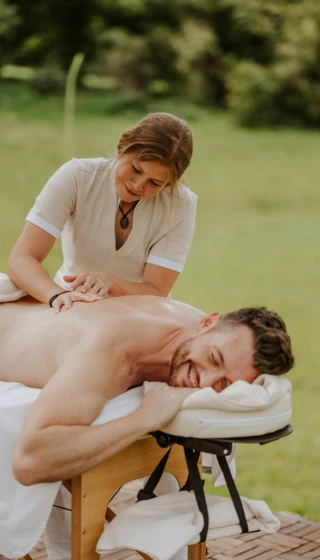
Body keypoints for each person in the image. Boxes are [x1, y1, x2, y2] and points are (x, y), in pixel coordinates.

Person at [0, 295, 294, 485]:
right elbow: (29, 462)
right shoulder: (109, 350)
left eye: (224, 385)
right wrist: (143, 418)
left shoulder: (205, 333)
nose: (205, 383)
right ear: (206, 323)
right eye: (215, 359)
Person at [6, 113, 197, 313]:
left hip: (140, 313)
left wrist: (113, 283)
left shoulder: (181, 204)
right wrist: (57, 295)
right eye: (136, 169)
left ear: (170, 183)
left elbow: (156, 289)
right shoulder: (77, 176)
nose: (138, 185)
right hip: (72, 302)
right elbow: (22, 260)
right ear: (123, 147)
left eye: (155, 183)